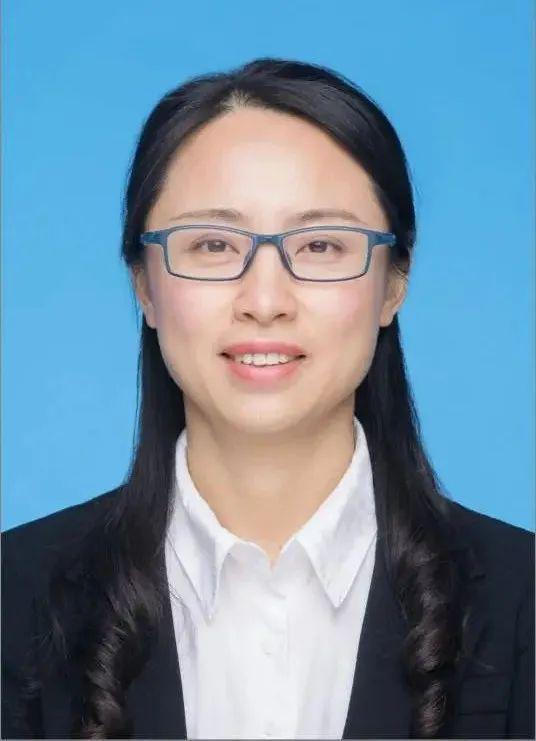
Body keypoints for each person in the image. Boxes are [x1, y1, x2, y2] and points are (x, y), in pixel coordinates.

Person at [2, 57, 534, 741]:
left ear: (394, 282)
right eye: (213, 244)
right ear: (143, 283)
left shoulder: (522, 601)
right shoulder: (13, 597)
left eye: (320, 245)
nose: (264, 300)